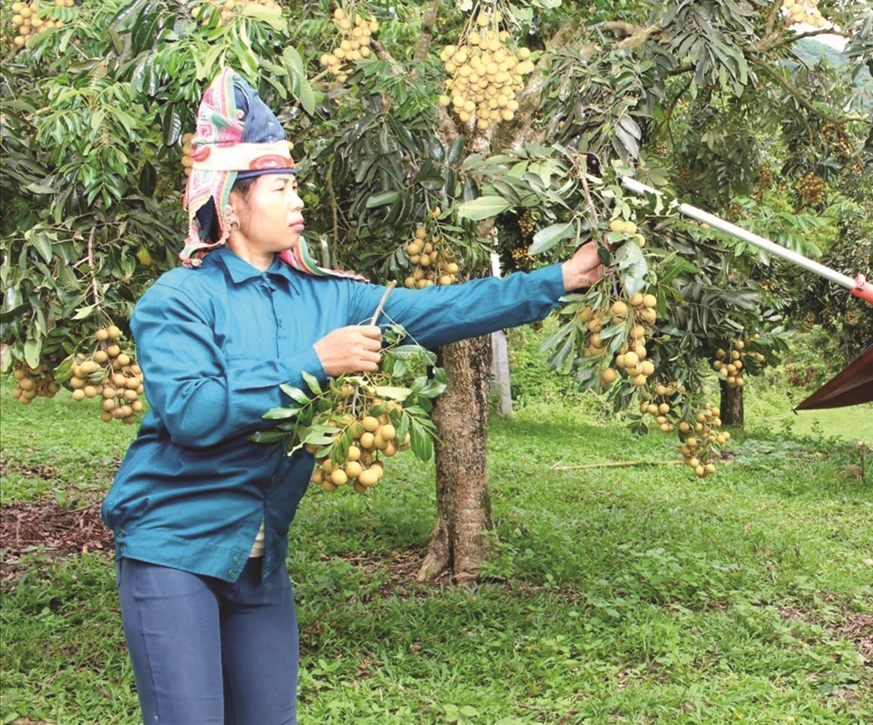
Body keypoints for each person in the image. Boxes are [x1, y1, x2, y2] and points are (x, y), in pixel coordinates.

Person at [100, 67, 607, 724]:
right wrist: (315, 362)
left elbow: (442, 309)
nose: (297, 201)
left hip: (259, 562)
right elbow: (194, 414)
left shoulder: (328, 296)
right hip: (172, 552)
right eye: (280, 188)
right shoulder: (178, 299)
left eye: (295, 186)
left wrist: (561, 278)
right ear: (233, 204)